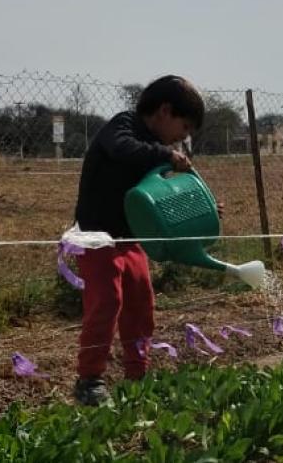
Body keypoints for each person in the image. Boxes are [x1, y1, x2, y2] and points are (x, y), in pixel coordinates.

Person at [72, 75, 209, 406]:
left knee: (140, 305)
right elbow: (123, 149)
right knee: (107, 302)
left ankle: (137, 375)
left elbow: (161, 195)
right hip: (95, 237)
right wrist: (166, 154)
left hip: (130, 239)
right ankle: (89, 379)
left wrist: (200, 206)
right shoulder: (123, 126)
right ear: (165, 111)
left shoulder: (154, 149)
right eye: (184, 127)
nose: (183, 138)